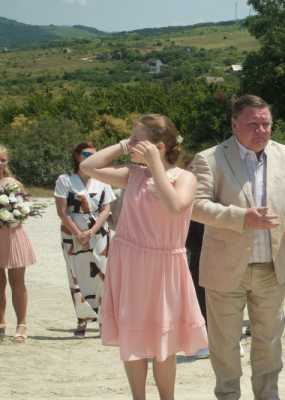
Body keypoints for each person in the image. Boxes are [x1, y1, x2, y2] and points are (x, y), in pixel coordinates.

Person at [190, 94, 285, 400]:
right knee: (224, 344)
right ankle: (228, 395)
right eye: (253, 124)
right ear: (234, 124)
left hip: (273, 267)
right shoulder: (209, 159)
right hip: (225, 269)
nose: (261, 130)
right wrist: (241, 218)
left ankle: (268, 395)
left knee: (269, 342)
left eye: (266, 124)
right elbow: (195, 206)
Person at [80, 114, 208, 400]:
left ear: (159, 146)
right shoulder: (133, 174)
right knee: (133, 338)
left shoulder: (185, 178)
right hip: (130, 263)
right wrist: (123, 145)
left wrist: (155, 164)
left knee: (165, 343)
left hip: (164, 267)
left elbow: (175, 205)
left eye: (137, 139)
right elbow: (87, 167)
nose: (131, 143)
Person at [54, 141, 116, 337]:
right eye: (87, 155)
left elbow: (106, 209)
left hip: (99, 233)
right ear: (77, 156)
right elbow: (62, 211)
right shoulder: (65, 180)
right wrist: (78, 233)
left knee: (102, 274)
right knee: (76, 274)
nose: (91, 158)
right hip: (71, 234)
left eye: (94, 155)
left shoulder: (102, 179)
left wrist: (91, 231)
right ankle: (82, 318)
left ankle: (104, 320)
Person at [0, 144, 37, 344]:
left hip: (13, 236)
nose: (0, 163)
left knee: (17, 283)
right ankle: (0, 322)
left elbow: (27, 205)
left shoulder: (14, 183)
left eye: (2, 159)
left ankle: (21, 323)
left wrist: (18, 213)